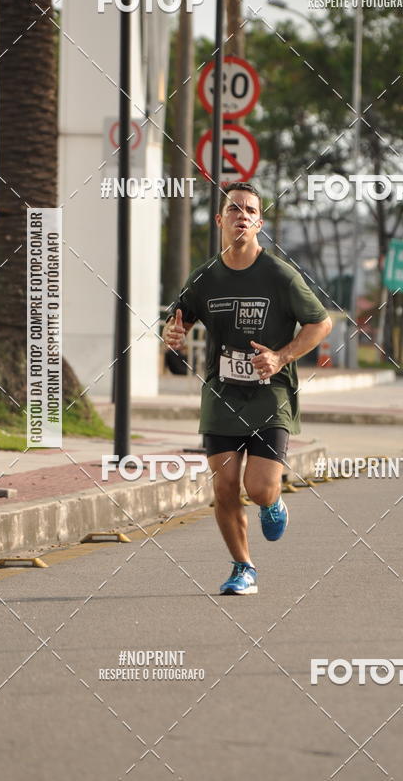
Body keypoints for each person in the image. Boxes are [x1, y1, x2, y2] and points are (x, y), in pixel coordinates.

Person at [163, 182, 332, 595]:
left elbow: (320, 323)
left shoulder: (278, 274)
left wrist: (282, 356)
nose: (241, 215)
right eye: (233, 208)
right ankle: (243, 567)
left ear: (259, 222)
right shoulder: (205, 277)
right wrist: (173, 333)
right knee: (223, 487)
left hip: (269, 394)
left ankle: (272, 502)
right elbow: (176, 320)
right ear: (221, 219)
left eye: (250, 210)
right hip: (222, 393)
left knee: (258, 488)